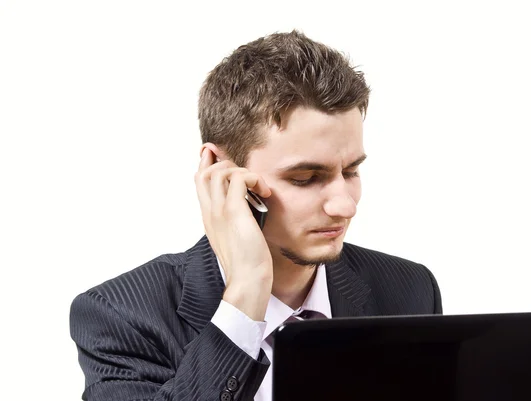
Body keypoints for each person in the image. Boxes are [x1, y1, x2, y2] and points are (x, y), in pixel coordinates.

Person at [70, 30, 442, 401]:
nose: (345, 205)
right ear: (221, 171)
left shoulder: (409, 289)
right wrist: (246, 295)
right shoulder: (122, 314)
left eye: (350, 172)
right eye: (305, 178)